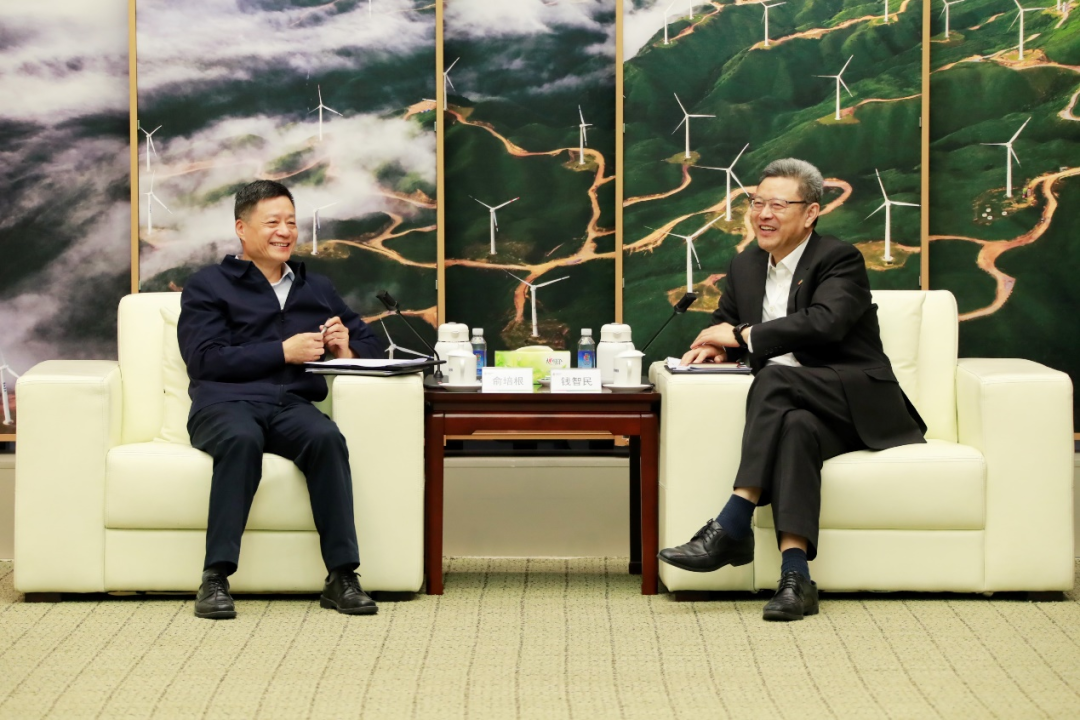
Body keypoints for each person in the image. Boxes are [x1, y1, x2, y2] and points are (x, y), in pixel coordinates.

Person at [658, 158, 926, 621]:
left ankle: (733, 521)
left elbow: (826, 323)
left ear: (811, 213)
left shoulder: (838, 258)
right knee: (796, 428)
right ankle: (796, 579)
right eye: (756, 202)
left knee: (775, 377)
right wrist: (718, 346)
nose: (763, 214)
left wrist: (743, 336)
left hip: (854, 398)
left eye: (778, 205)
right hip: (794, 406)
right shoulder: (745, 264)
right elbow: (726, 321)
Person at [178, 180, 384, 619]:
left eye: (291, 222)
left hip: (292, 406)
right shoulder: (208, 284)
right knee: (241, 440)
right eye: (273, 222)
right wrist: (282, 352)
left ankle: (342, 576)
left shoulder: (316, 287)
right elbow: (203, 359)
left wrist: (345, 348)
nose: (285, 232)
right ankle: (215, 577)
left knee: (327, 438)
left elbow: (370, 345)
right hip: (224, 405)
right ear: (242, 228)